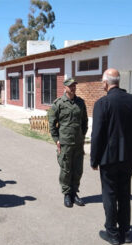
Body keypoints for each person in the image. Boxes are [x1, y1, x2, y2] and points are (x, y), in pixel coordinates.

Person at [90, 68, 132, 245]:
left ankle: (112, 233)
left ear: (105, 83)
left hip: (108, 158)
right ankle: (125, 231)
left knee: (110, 195)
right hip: (127, 158)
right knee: (124, 193)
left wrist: (94, 159)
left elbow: (97, 135)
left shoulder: (102, 103)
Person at [48, 78, 88, 208]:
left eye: (74, 86)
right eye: (70, 86)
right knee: (66, 169)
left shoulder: (80, 103)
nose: (73, 88)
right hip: (65, 142)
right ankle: (66, 194)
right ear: (65, 88)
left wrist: (82, 135)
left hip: (78, 142)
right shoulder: (58, 104)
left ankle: (74, 193)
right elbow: (52, 124)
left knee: (78, 169)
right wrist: (57, 140)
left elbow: (84, 122)